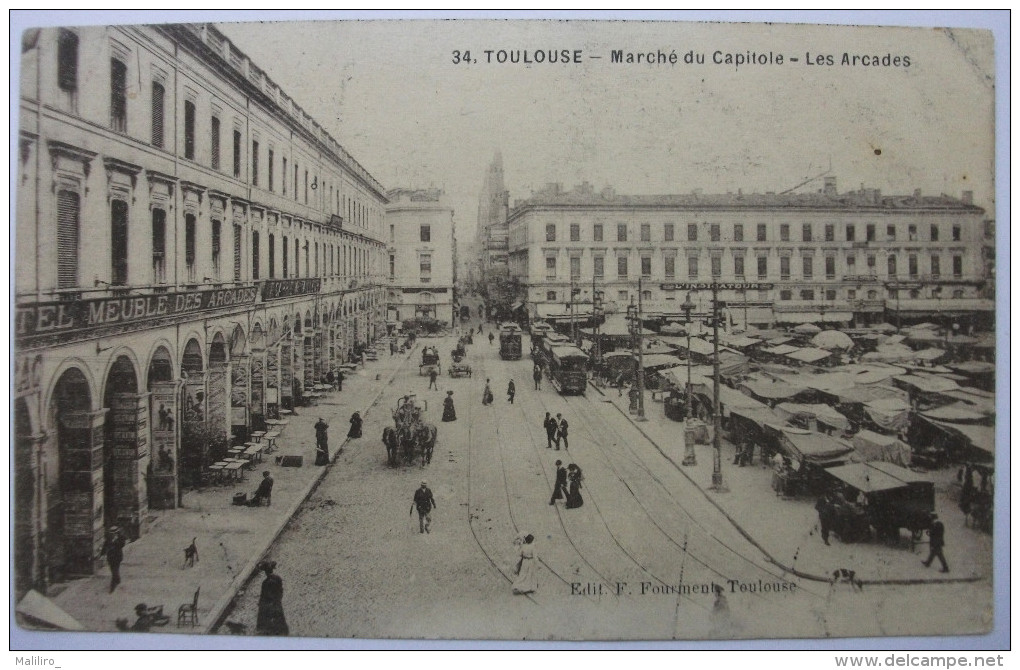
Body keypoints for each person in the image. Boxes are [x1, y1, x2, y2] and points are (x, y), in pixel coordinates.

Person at [256, 560, 289, 636]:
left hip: (271, 603)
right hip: (277, 601)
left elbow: (264, 595)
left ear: (265, 572)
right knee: (279, 615)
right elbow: (281, 590)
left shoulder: (265, 582)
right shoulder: (278, 578)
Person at [102, 526, 126, 593]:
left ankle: (112, 588)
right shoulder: (108, 539)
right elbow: (105, 546)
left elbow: (122, 545)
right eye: (111, 533)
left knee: (115, 571)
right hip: (110, 558)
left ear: (117, 532)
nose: (113, 534)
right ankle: (118, 580)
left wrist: (115, 541)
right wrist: (102, 554)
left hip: (117, 557)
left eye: (114, 532)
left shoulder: (120, 538)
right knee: (113, 570)